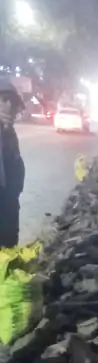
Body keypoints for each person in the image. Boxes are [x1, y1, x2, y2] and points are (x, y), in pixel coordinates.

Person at [0, 80, 25, 248]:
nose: (9, 106)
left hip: (8, 212)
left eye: (13, 102)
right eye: (3, 100)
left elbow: (15, 169)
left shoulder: (10, 134)